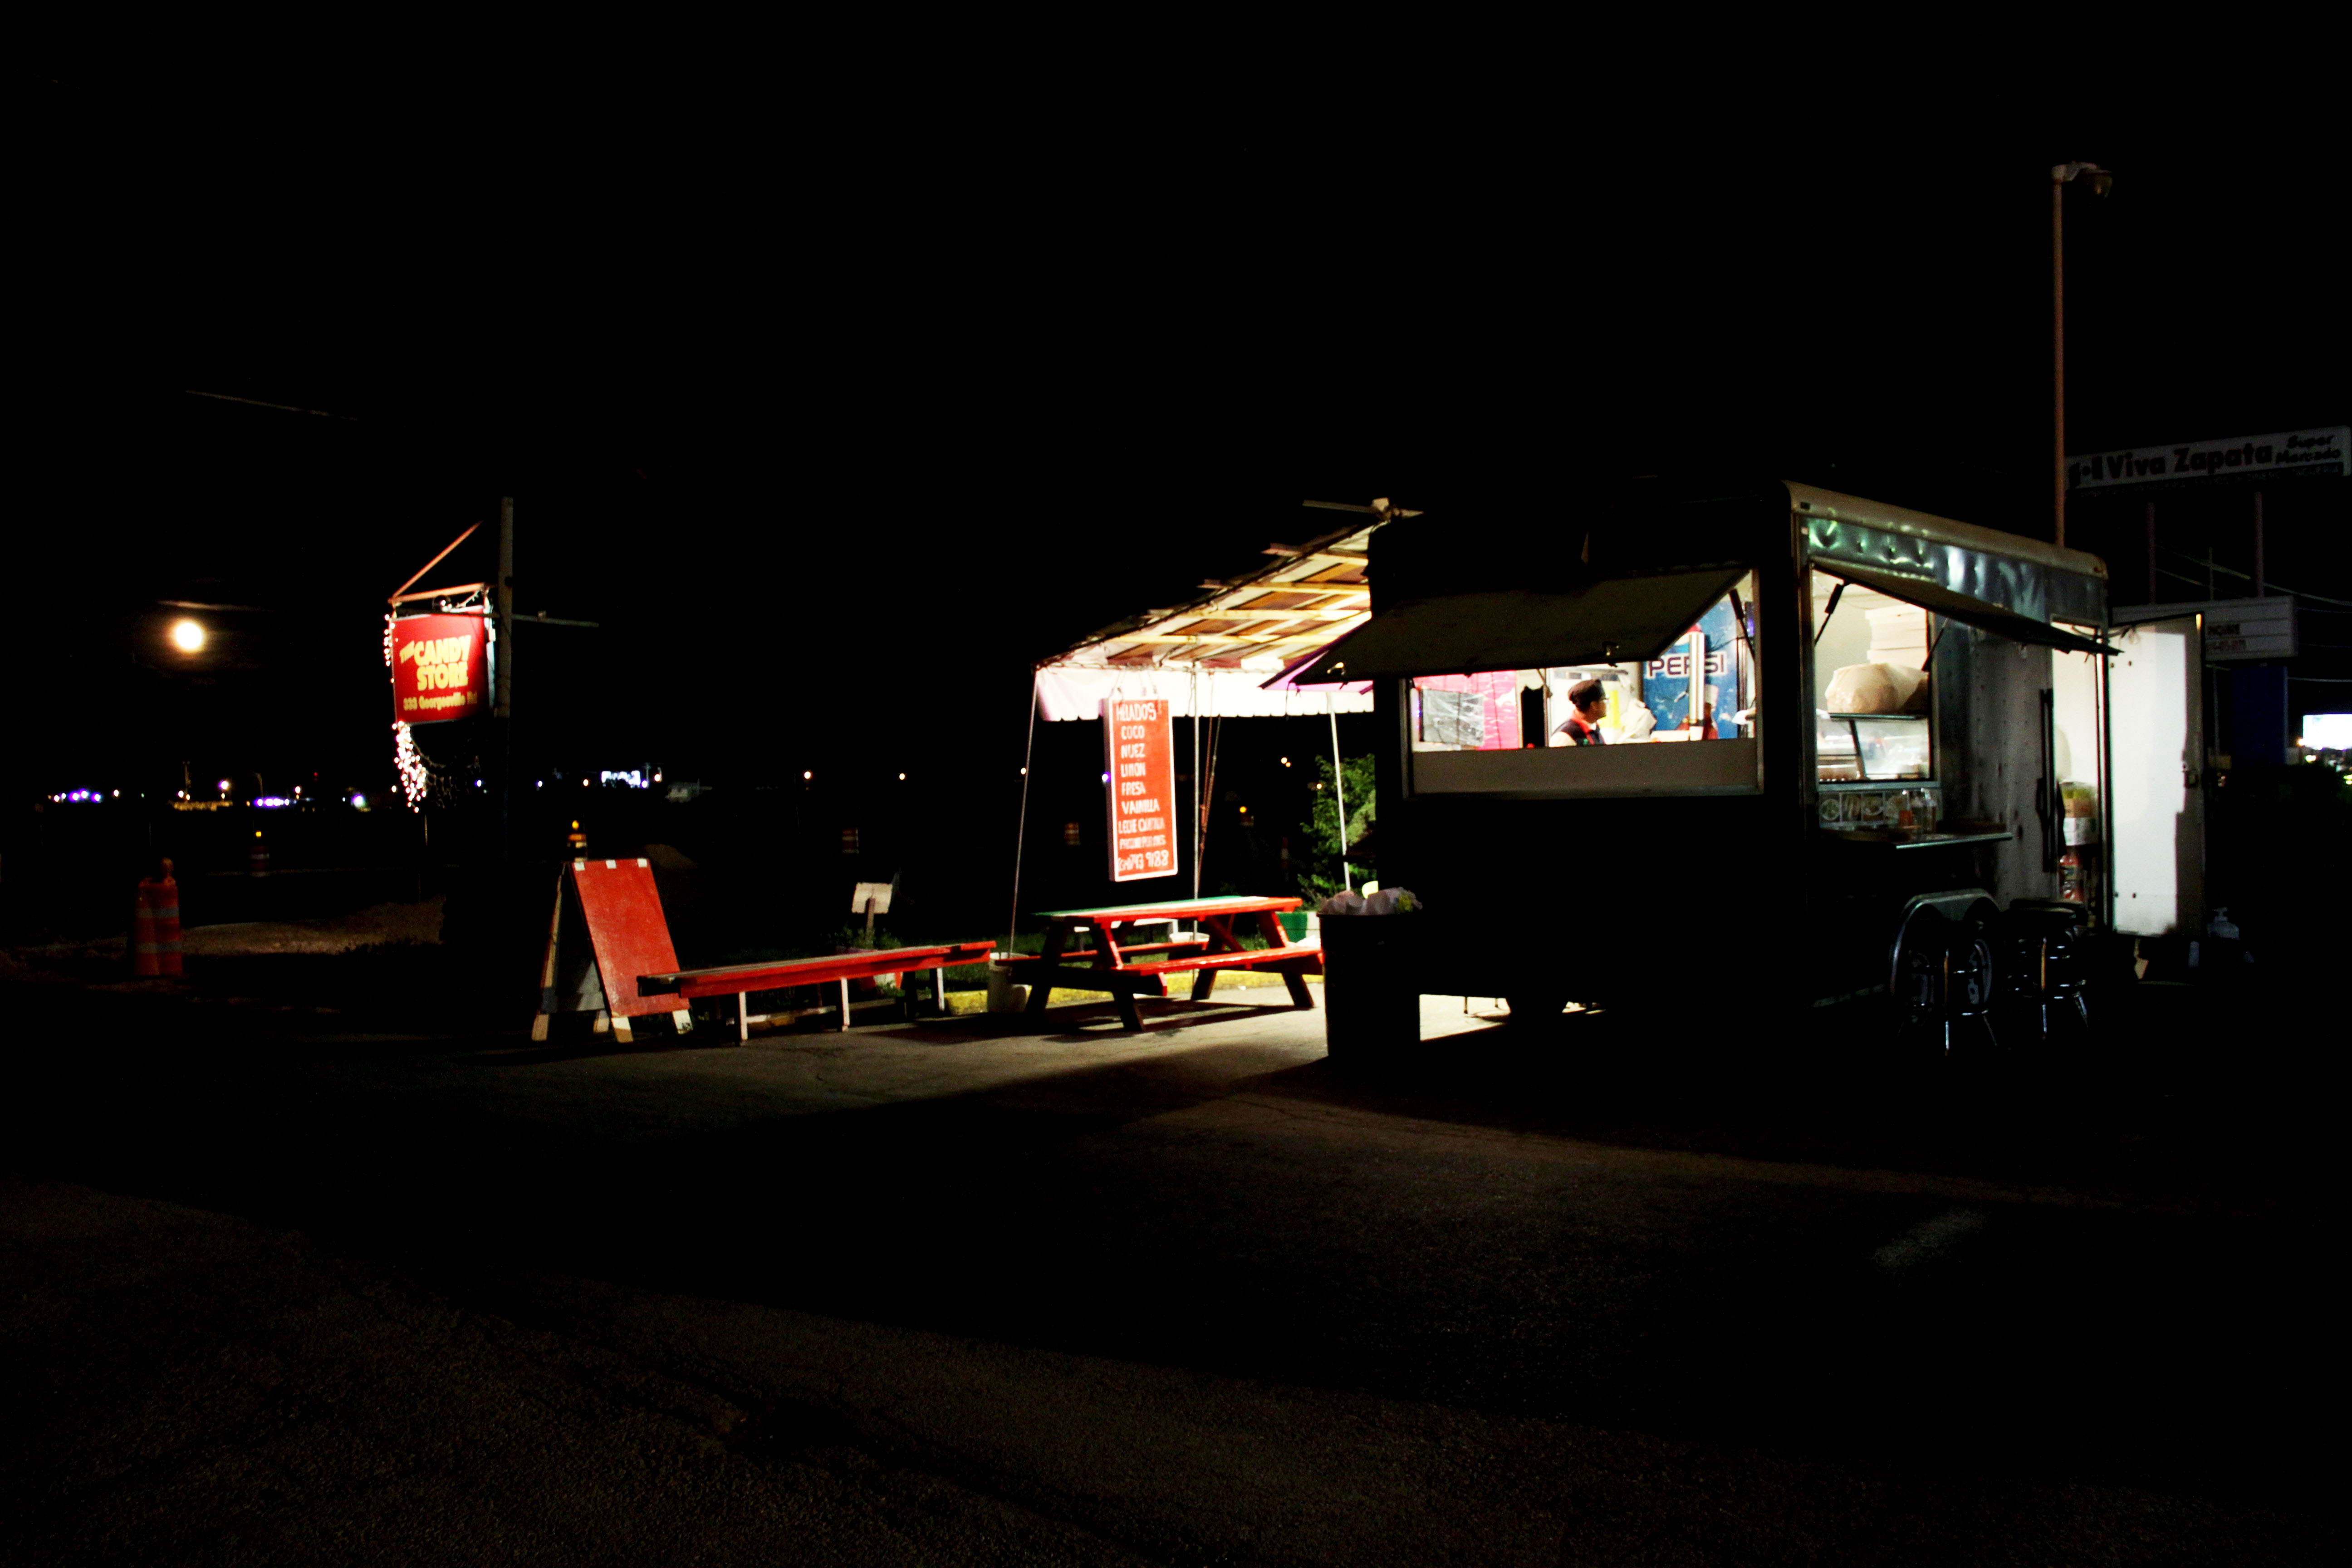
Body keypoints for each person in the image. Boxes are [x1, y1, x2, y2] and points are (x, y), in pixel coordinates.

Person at [1554, 678, 1608, 745]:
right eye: (1604, 699)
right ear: (1594, 706)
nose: (1607, 704)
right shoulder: (1565, 737)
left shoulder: (1594, 729)